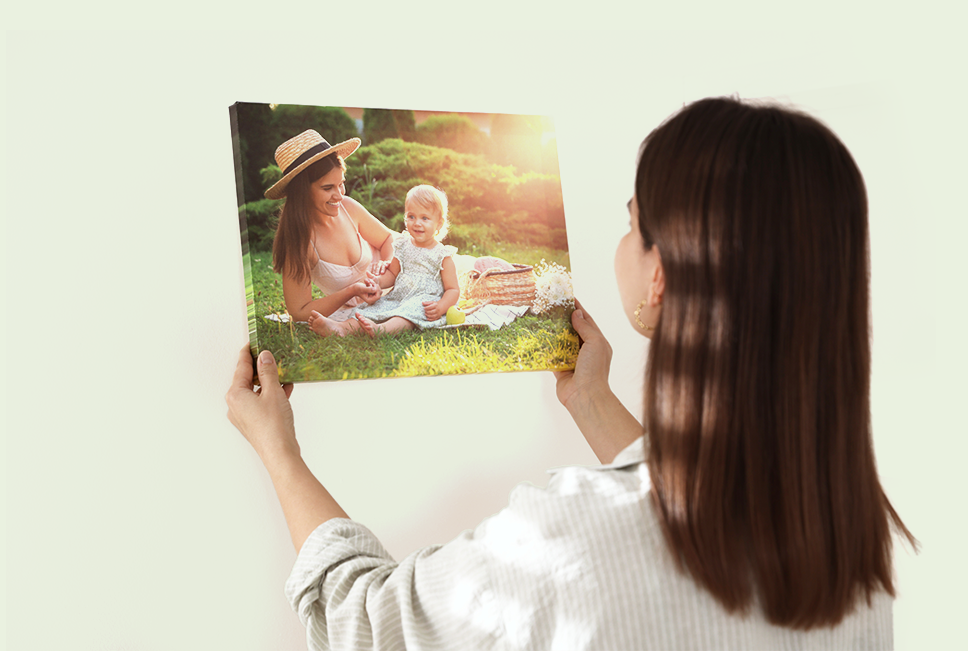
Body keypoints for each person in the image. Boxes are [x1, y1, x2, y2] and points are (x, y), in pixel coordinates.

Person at [226, 97, 913, 649]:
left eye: (631, 221)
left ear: (661, 276)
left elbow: (371, 624)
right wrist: (591, 401)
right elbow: (696, 521)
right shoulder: (851, 548)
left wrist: (279, 453)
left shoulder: (574, 537)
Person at [265, 130, 411, 338]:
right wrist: (352, 291)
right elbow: (298, 312)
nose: (339, 195)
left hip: (400, 274)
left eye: (341, 184)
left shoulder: (348, 208)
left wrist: (386, 273)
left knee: (457, 277)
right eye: (328, 188)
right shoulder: (298, 243)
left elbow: (388, 238)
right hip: (364, 307)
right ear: (302, 192)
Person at [357, 184, 461, 334]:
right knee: (374, 308)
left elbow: (453, 289)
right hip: (399, 296)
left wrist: (441, 306)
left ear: (439, 224)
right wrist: (378, 281)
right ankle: (341, 327)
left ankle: (382, 330)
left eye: (425, 218)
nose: (417, 223)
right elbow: (393, 274)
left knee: (407, 313)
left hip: (424, 301)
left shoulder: (442, 255)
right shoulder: (402, 245)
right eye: (411, 216)